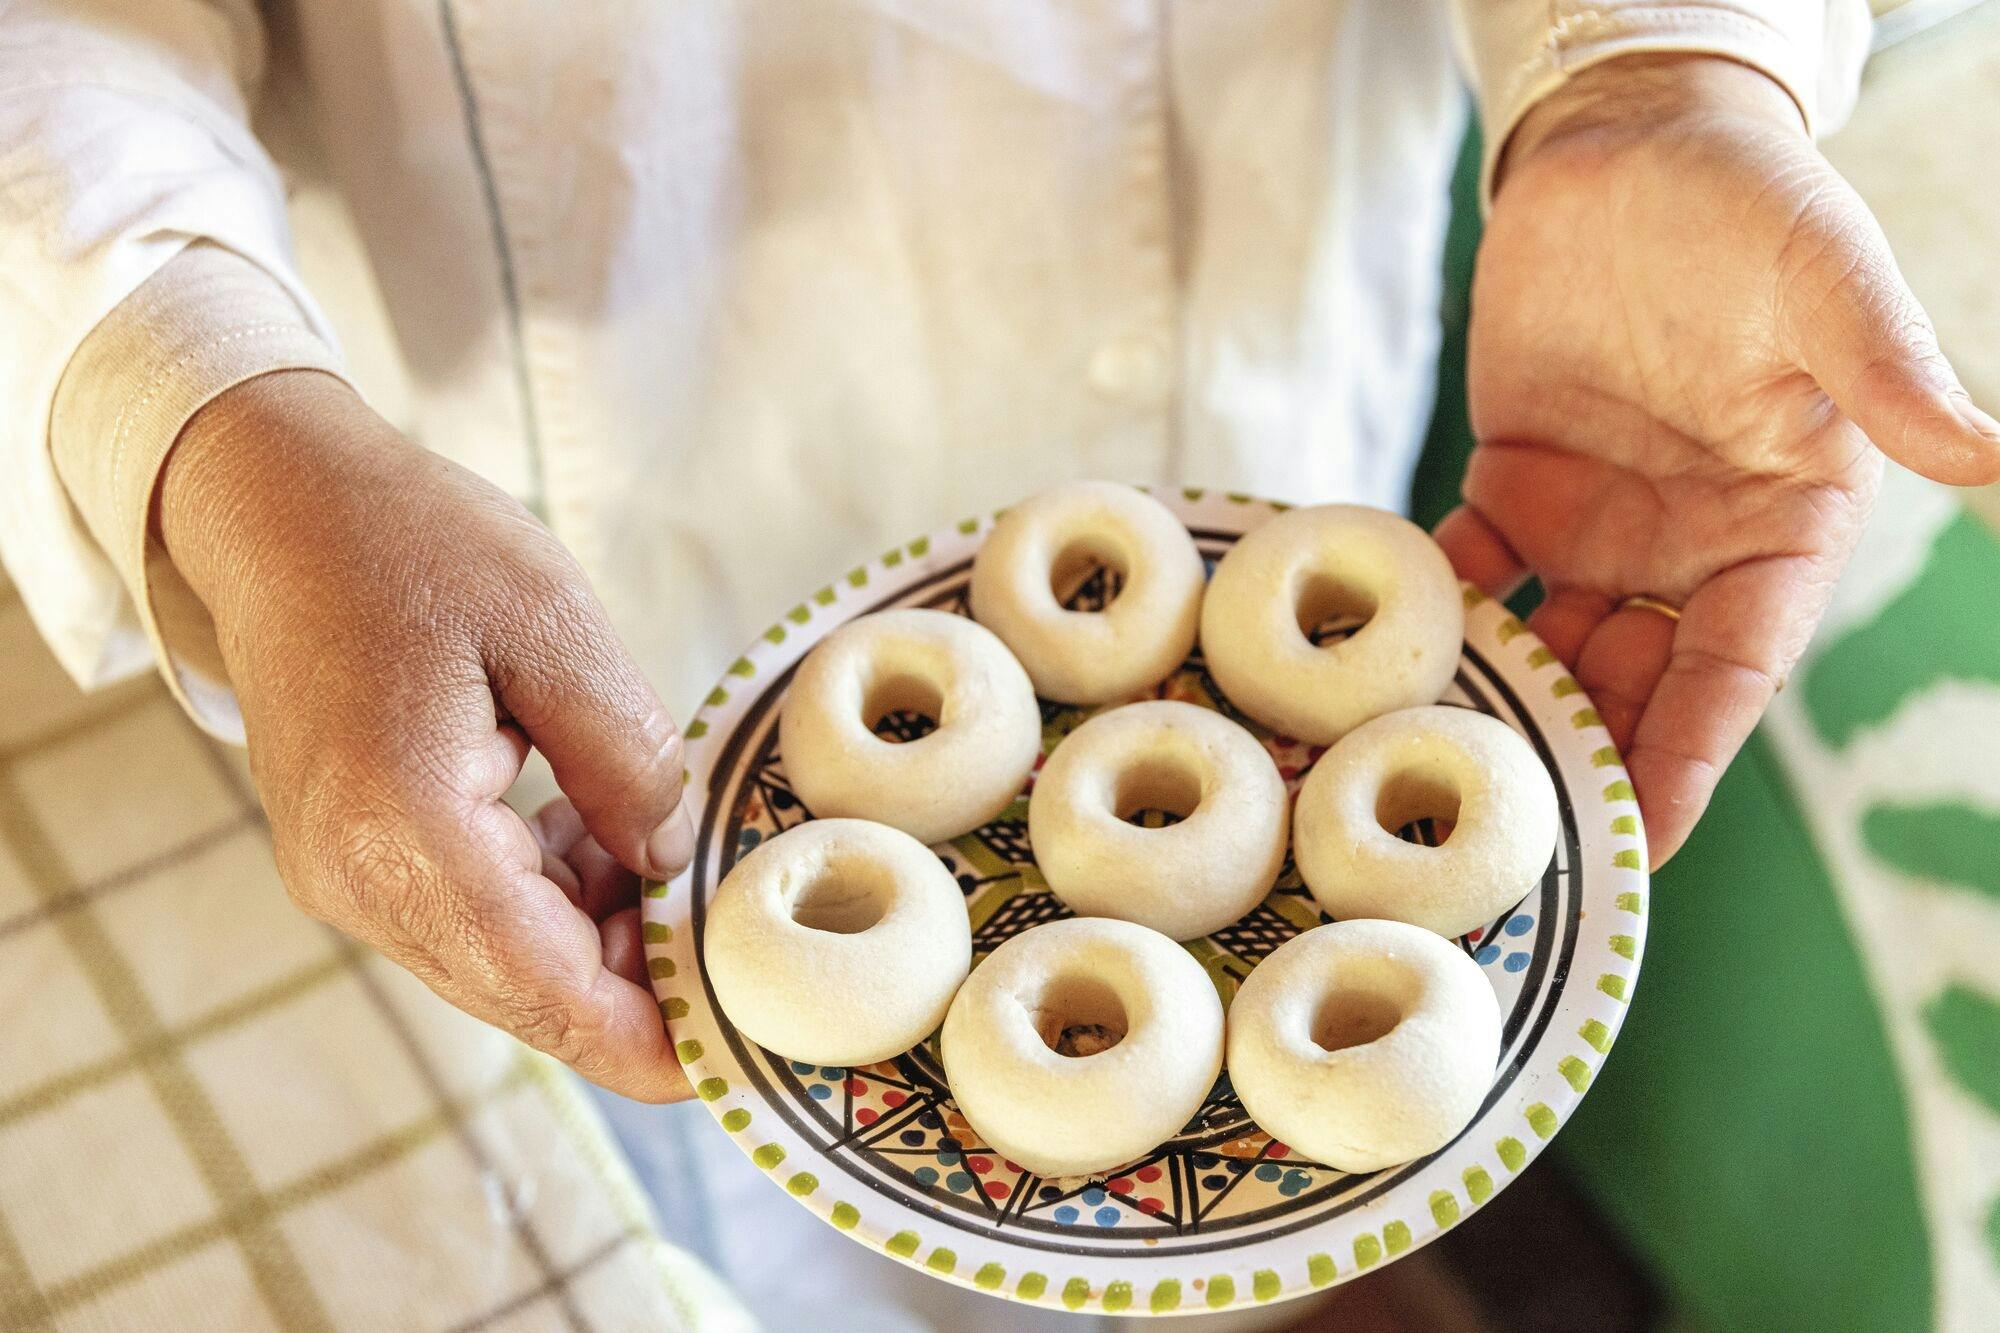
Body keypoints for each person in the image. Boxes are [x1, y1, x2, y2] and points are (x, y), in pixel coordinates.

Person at [3, 0, 1997, 1321]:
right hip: (539, 551)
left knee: (1220, 1235)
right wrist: (210, 411)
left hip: (1272, 430)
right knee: (719, 1220)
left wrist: (1653, 64)